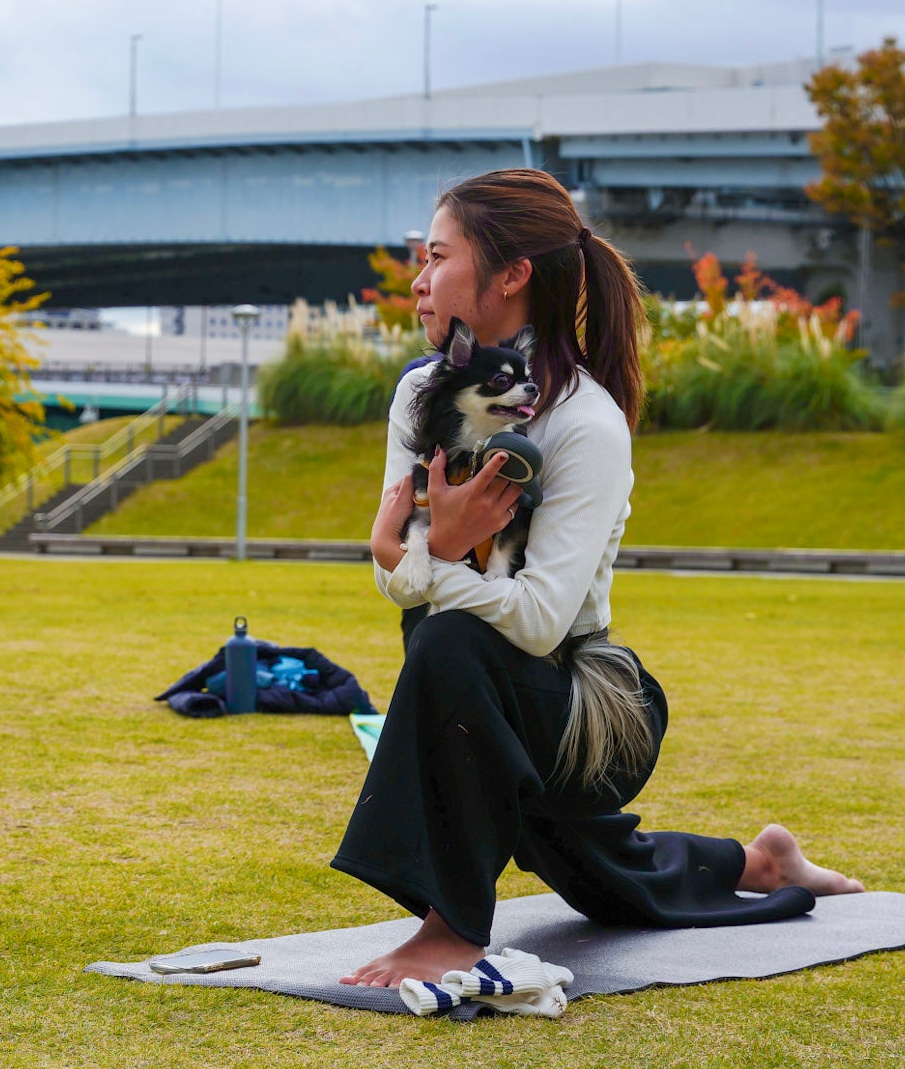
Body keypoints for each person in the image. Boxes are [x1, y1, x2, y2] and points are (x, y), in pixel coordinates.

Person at [334, 169, 862, 987]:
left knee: (446, 639)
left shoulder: (586, 421)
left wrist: (426, 552)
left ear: (511, 276)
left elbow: (540, 622)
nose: (419, 278)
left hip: (590, 702)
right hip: (484, 687)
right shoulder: (420, 396)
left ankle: (450, 923)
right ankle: (761, 861)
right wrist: (436, 550)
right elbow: (395, 583)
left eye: (439, 256)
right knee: (606, 881)